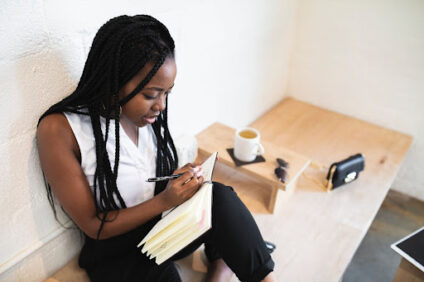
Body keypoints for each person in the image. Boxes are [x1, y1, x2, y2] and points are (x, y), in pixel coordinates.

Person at [37, 15, 275, 282]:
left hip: (161, 228)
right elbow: (94, 226)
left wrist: (178, 182)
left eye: (166, 93)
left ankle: (230, 271)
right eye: (151, 95)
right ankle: (221, 266)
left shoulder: (142, 115)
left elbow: (144, 176)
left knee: (218, 198)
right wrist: (164, 201)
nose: (160, 105)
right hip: (117, 253)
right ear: (114, 80)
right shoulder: (59, 130)